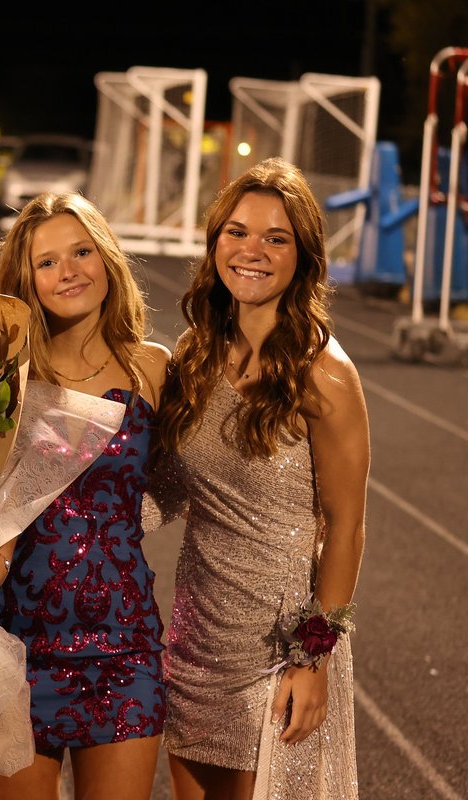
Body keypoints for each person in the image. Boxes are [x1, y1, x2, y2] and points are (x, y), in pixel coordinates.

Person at [155, 157, 368, 799]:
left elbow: (348, 526)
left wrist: (313, 658)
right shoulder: (198, 352)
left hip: (276, 651)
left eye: (276, 238)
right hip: (194, 642)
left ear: (303, 256)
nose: (252, 251)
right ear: (215, 240)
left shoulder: (324, 373)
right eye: (237, 232)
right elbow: (162, 490)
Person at [0, 193, 169, 800]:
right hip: (16, 643)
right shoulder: (5, 370)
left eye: (82, 251)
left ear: (107, 259)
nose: (69, 272)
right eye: (47, 262)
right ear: (27, 281)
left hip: (125, 644)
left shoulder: (153, 369)